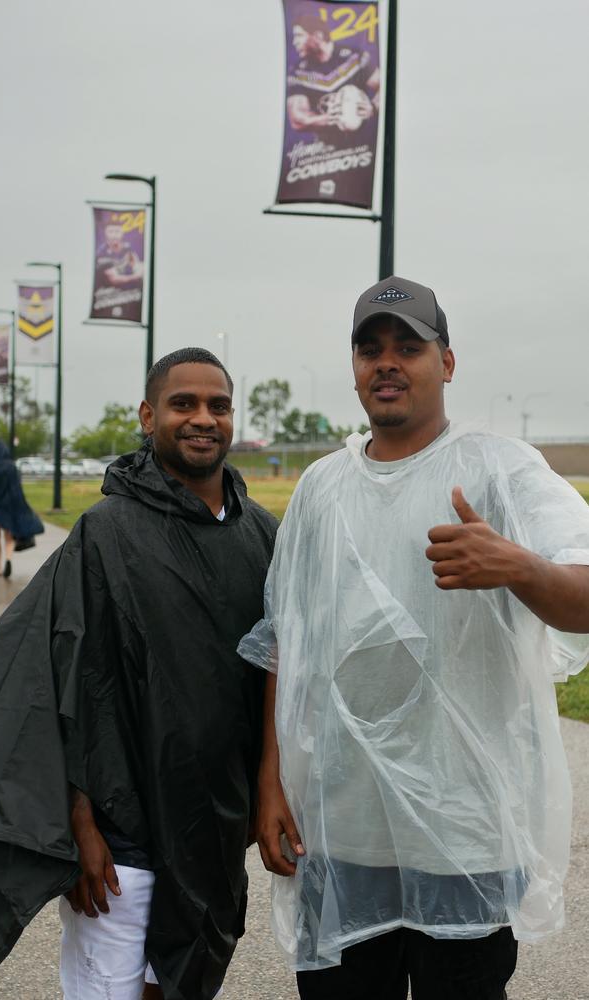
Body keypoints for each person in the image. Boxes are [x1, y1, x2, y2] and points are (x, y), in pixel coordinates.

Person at [239, 276, 589, 1000]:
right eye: (370, 350)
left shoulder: (499, 469)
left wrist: (517, 565)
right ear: (356, 367)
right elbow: (286, 644)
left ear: (448, 362)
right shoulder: (320, 489)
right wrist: (272, 783)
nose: (387, 363)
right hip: (343, 832)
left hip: (465, 835)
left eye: (409, 346)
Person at [0, 348, 277, 1000]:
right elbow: (50, 681)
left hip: (211, 834)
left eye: (218, 405)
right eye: (184, 404)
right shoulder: (104, 535)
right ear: (149, 416)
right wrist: (79, 824)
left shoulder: (261, 536)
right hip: (121, 842)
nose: (203, 418)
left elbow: (277, 676)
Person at [286, 14, 380, 138]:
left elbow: (385, 88)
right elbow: (296, 120)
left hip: (366, 144)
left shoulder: (354, 56)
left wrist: (373, 107)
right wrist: (328, 118)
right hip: (328, 152)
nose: (294, 42)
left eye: (299, 36)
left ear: (318, 36)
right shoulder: (298, 72)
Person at [0, 440, 44, 578]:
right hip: (7, 508)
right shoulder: (10, 467)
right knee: (9, 537)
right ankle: (8, 559)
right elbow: (16, 490)